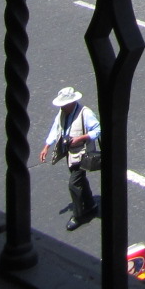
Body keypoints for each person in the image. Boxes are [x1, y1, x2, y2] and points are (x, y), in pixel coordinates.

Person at [40, 86, 102, 231]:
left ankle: (78, 215)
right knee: (80, 180)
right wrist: (47, 146)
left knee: (74, 184)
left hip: (82, 153)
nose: (61, 107)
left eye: (64, 104)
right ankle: (90, 205)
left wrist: (82, 138)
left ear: (71, 102)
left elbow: (98, 129)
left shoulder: (85, 113)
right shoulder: (62, 113)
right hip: (70, 153)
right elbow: (56, 128)